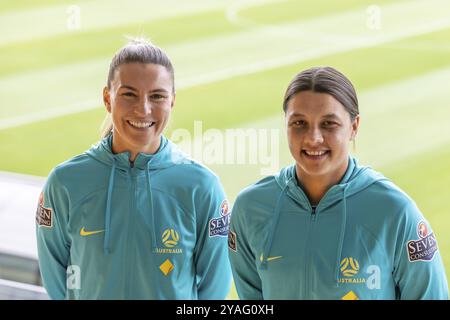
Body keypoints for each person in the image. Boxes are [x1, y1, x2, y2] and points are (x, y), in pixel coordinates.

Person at [228, 66, 448, 300]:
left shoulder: (395, 211)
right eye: (299, 123)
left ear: (354, 127)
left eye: (328, 124)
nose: (314, 138)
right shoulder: (250, 208)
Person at [36, 38, 231, 299]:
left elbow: (214, 288)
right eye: (129, 94)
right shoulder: (65, 182)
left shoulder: (202, 186)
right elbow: (55, 278)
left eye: (157, 96)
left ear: (172, 101)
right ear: (108, 98)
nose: (144, 109)